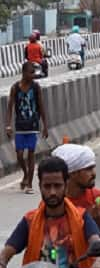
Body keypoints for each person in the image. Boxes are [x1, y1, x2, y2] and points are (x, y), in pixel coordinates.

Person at [0, 157, 100, 268]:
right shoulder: (30, 220)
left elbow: (98, 244)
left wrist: (98, 262)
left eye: (57, 186)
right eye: (47, 186)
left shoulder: (81, 217)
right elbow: (7, 251)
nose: (52, 192)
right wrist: (1, 265)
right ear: (40, 186)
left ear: (66, 185)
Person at [51, 145, 100, 244]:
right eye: (88, 169)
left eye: (93, 168)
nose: (93, 174)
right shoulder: (54, 200)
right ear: (72, 174)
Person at [5, 62, 49, 194]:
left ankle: (29, 184)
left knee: (30, 154)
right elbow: (10, 107)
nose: (33, 75)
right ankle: (25, 174)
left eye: (33, 73)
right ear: (23, 73)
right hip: (20, 126)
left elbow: (41, 106)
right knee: (19, 154)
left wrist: (45, 125)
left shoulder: (36, 87)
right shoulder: (15, 88)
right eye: (30, 72)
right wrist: (8, 125)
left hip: (33, 126)